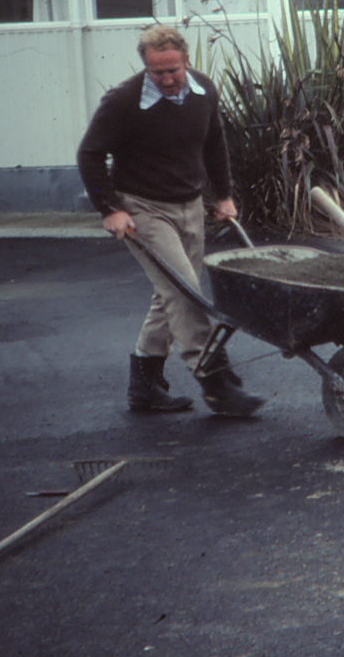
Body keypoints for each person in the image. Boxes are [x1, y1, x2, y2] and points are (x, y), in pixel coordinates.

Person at [77, 25, 264, 416]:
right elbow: (90, 154)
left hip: (189, 204)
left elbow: (215, 143)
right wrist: (110, 209)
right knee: (184, 291)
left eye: (172, 70)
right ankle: (215, 382)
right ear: (145, 65)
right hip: (144, 208)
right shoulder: (124, 101)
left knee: (173, 292)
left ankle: (144, 386)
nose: (165, 79)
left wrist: (224, 195)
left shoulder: (203, 90)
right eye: (156, 72)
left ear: (186, 60)